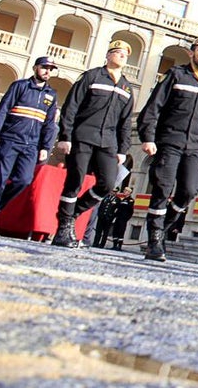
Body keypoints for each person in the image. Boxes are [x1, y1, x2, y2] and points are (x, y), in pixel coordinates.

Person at [136, 36, 198, 262]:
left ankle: (165, 226)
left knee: (189, 190)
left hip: (195, 146)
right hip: (169, 141)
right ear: (191, 53)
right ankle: (154, 239)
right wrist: (148, 137)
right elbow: (154, 106)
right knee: (162, 188)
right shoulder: (176, 75)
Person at [52, 41, 136, 248]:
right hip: (83, 136)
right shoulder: (92, 76)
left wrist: (123, 149)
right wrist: (65, 136)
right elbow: (71, 106)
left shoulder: (126, 87)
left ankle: (73, 213)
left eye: (125, 54)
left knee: (107, 183)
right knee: (75, 181)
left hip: (108, 142)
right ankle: (63, 229)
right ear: (108, 55)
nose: (121, 56)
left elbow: (125, 122)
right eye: (117, 52)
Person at [0, 56, 60, 214]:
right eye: (44, 67)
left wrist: (45, 147)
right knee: (0, 178)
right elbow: (4, 108)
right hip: (10, 140)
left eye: (50, 69)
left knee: (24, 180)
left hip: (32, 145)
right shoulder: (20, 86)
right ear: (35, 68)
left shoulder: (51, 94)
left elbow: (49, 123)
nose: (47, 72)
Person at [108, 186, 134, 250]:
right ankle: (114, 245)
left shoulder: (130, 200)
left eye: (126, 191)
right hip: (118, 218)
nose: (124, 191)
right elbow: (118, 209)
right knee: (115, 231)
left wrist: (126, 218)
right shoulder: (123, 200)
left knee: (121, 232)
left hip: (123, 219)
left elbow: (130, 211)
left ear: (129, 192)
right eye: (124, 190)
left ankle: (119, 246)